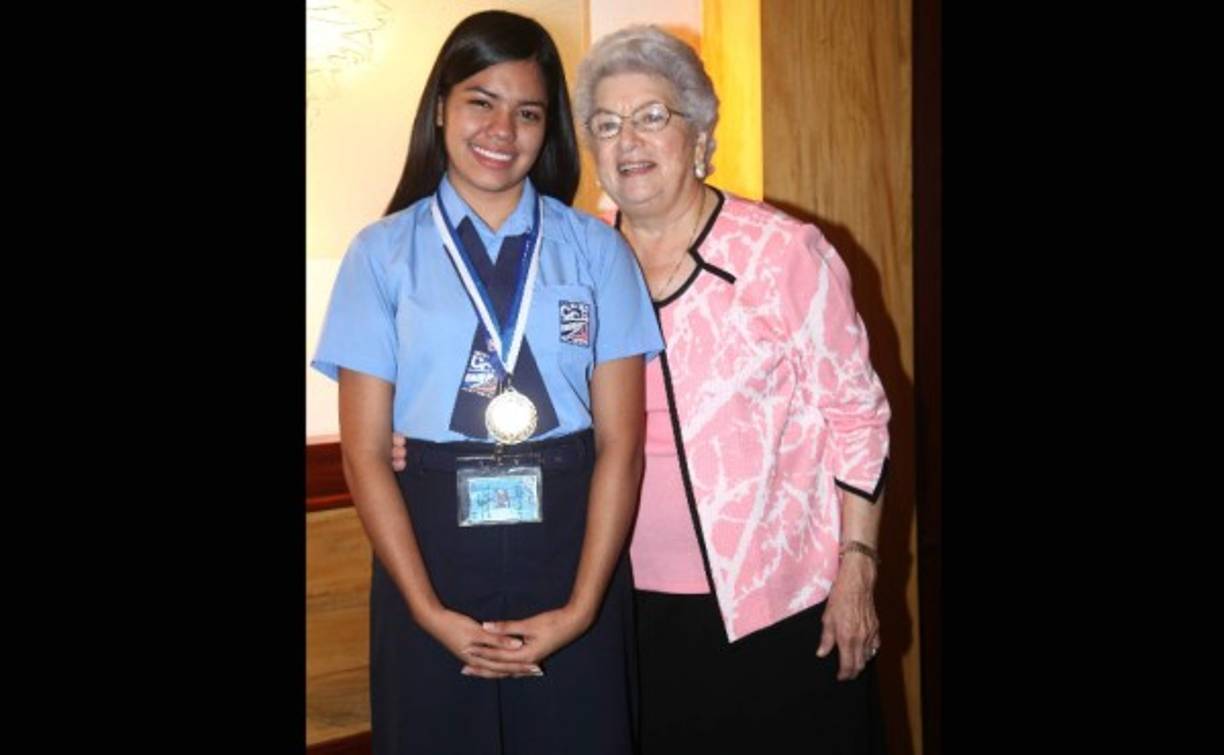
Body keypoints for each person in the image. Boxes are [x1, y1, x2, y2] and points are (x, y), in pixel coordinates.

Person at [398, 23, 893, 753]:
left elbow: (859, 415)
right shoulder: (569, 254)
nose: (629, 139)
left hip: (777, 607)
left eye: (653, 116)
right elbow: (509, 379)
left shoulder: (780, 253)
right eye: (607, 122)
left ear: (698, 134)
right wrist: (417, 432)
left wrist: (858, 567)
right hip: (617, 599)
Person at [312, 11, 663, 755]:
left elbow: (623, 447)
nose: (504, 127)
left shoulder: (598, 251)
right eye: (481, 99)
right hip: (431, 548)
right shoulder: (380, 254)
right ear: (440, 105)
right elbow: (365, 452)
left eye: (528, 110)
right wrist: (425, 610)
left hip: (572, 541)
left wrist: (582, 607)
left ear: (549, 127)